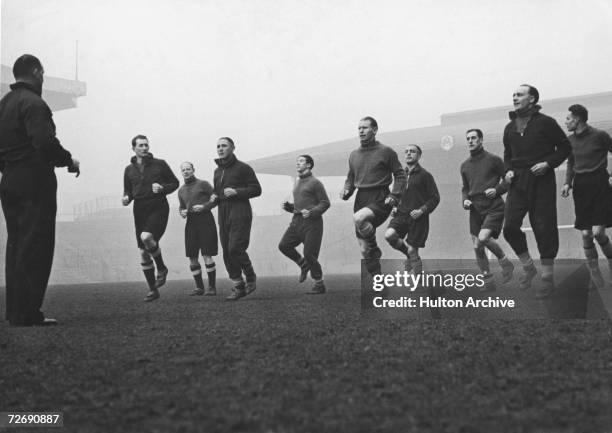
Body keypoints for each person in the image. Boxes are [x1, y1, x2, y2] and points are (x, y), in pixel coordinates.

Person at [0, 54, 80, 326]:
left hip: (9, 179)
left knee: (16, 244)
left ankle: (15, 312)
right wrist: (68, 160)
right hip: (34, 180)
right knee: (36, 244)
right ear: (36, 71)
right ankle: (28, 312)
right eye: (43, 73)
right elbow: (45, 143)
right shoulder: (34, 103)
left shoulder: (4, 104)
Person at [502, 84, 571, 298]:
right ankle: (528, 266)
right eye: (513, 94)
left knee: (544, 227)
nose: (515, 97)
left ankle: (547, 278)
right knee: (510, 227)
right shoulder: (509, 127)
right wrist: (508, 171)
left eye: (520, 94)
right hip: (518, 182)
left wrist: (548, 164)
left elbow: (565, 148)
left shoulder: (546, 123)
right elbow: (507, 155)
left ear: (532, 99)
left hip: (541, 180)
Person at [341, 117, 406, 275]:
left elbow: (400, 175)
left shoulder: (386, 152)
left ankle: (375, 246)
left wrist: (394, 195)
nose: (361, 131)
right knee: (365, 252)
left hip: (380, 197)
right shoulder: (354, 155)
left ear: (375, 130)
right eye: (359, 128)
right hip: (360, 199)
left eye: (365, 127)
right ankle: (380, 284)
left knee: (359, 219)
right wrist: (346, 190)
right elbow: (351, 177)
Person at [122, 135, 179, 302]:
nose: (144, 148)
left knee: (146, 237)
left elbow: (174, 183)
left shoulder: (160, 164)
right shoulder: (128, 169)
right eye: (140, 145)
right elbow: (128, 191)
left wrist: (162, 188)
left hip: (158, 206)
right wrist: (126, 198)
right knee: (143, 252)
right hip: (139, 209)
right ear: (133, 148)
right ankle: (153, 290)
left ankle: (161, 268)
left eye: (146, 145)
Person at [561, 104, 612, 289]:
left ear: (578, 119)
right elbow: (570, 163)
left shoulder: (600, 136)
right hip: (581, 187)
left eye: (568, 119)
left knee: (598, 233)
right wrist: (567, 183)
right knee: (586, 234)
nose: (565, 122)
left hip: (600, 184)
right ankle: (595, 275)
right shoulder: (570, 141)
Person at [460, 129, 514, 291]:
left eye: (474, 138)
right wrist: (465, 200)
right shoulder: (464, 166)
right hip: (475, 209)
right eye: (468, 138)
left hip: (493, 206)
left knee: (482, 238)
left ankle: (505, 262)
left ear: (481, 140)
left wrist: (497, 190)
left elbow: (509, 178)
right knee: (477, 246)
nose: (470, 141)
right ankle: (488, 281)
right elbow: (465, 188)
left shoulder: (493, 160)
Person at [211, 137, 262, 301]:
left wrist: (237, 192)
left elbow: (256, 189)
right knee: (226, 250)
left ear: (233, 148)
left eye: (224, 145)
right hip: (223, 211)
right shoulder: (217, 171)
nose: (220, 149)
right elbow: (219, 192)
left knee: (235, 247)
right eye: (218, 146)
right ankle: (238, 285)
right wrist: (214, 196)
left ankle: (250, 276)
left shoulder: (243, 168)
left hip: (240, 210)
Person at [384, 144, 439, 277]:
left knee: (413, 251)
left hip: (418, 218)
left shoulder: (425, 175)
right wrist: (395, 206)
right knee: (389, 235)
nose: (409, 154)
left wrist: (422, 210)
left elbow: (435, 198)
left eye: (412, 151)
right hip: (401, 216)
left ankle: (418, 283)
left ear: (419, 156)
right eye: (406, 151)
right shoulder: (400, 176)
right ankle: (409, 256)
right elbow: (398, 194)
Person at [279, 155, 330, 294]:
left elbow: (325, 203)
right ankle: (302, 264)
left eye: (301, 161)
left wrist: (313, 212)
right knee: (284, 246)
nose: (298, 164)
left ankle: (319, 284)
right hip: (297, 222)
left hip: (312, 223)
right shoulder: (297, 183)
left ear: (309, 165)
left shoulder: (315, 183)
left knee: (309, 253)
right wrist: (290, 207)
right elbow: (301, 204)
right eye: (297, 162)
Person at [178, 161, 218, 296]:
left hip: (205, 220)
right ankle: (199, 287)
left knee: (207, 254)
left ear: (193, 169)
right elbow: (182, 206)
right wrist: (182, 212)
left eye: (188, 169)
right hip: (190, 223)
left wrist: (204, 206)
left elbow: (215, 199)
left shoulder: (203, 184)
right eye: (183, 170)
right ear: (181, 172)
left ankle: (211, 287)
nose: (186, 172)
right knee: (192, 256)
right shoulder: (181, 190)